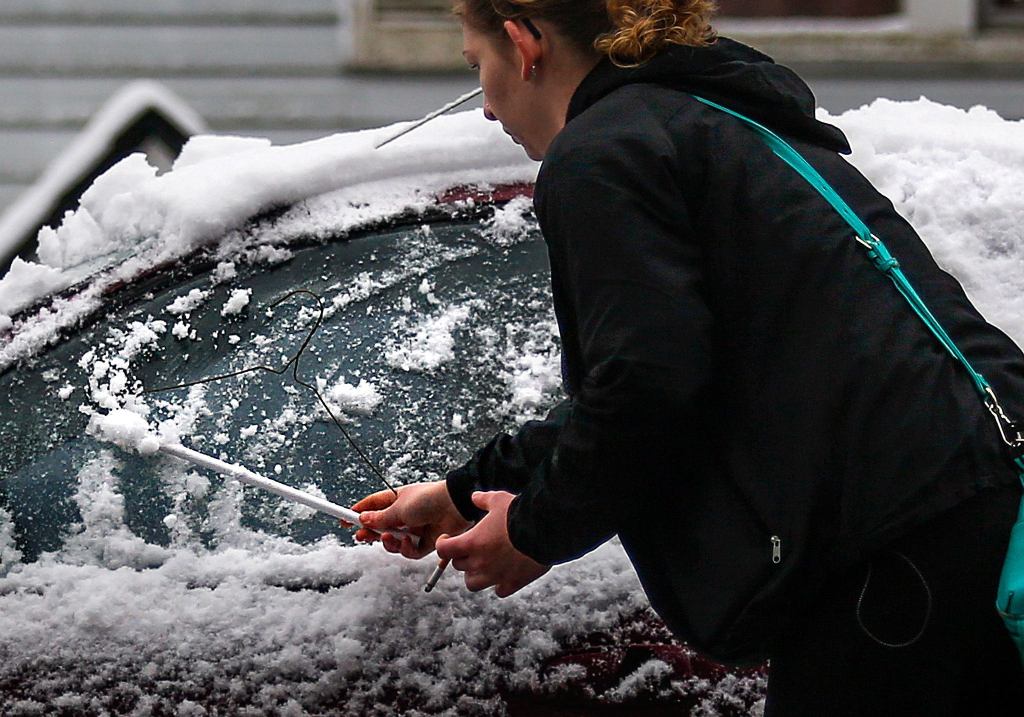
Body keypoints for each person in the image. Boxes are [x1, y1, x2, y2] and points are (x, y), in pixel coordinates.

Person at [352, 0, 1024, 712]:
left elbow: (648, 386)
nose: (487, 106)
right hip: (971, 517)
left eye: (476, 65)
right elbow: (678, 377)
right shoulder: (723, 120)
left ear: (524, 44)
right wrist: (461, 494)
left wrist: (532, 530)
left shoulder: (602, 152)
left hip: (891, 561)